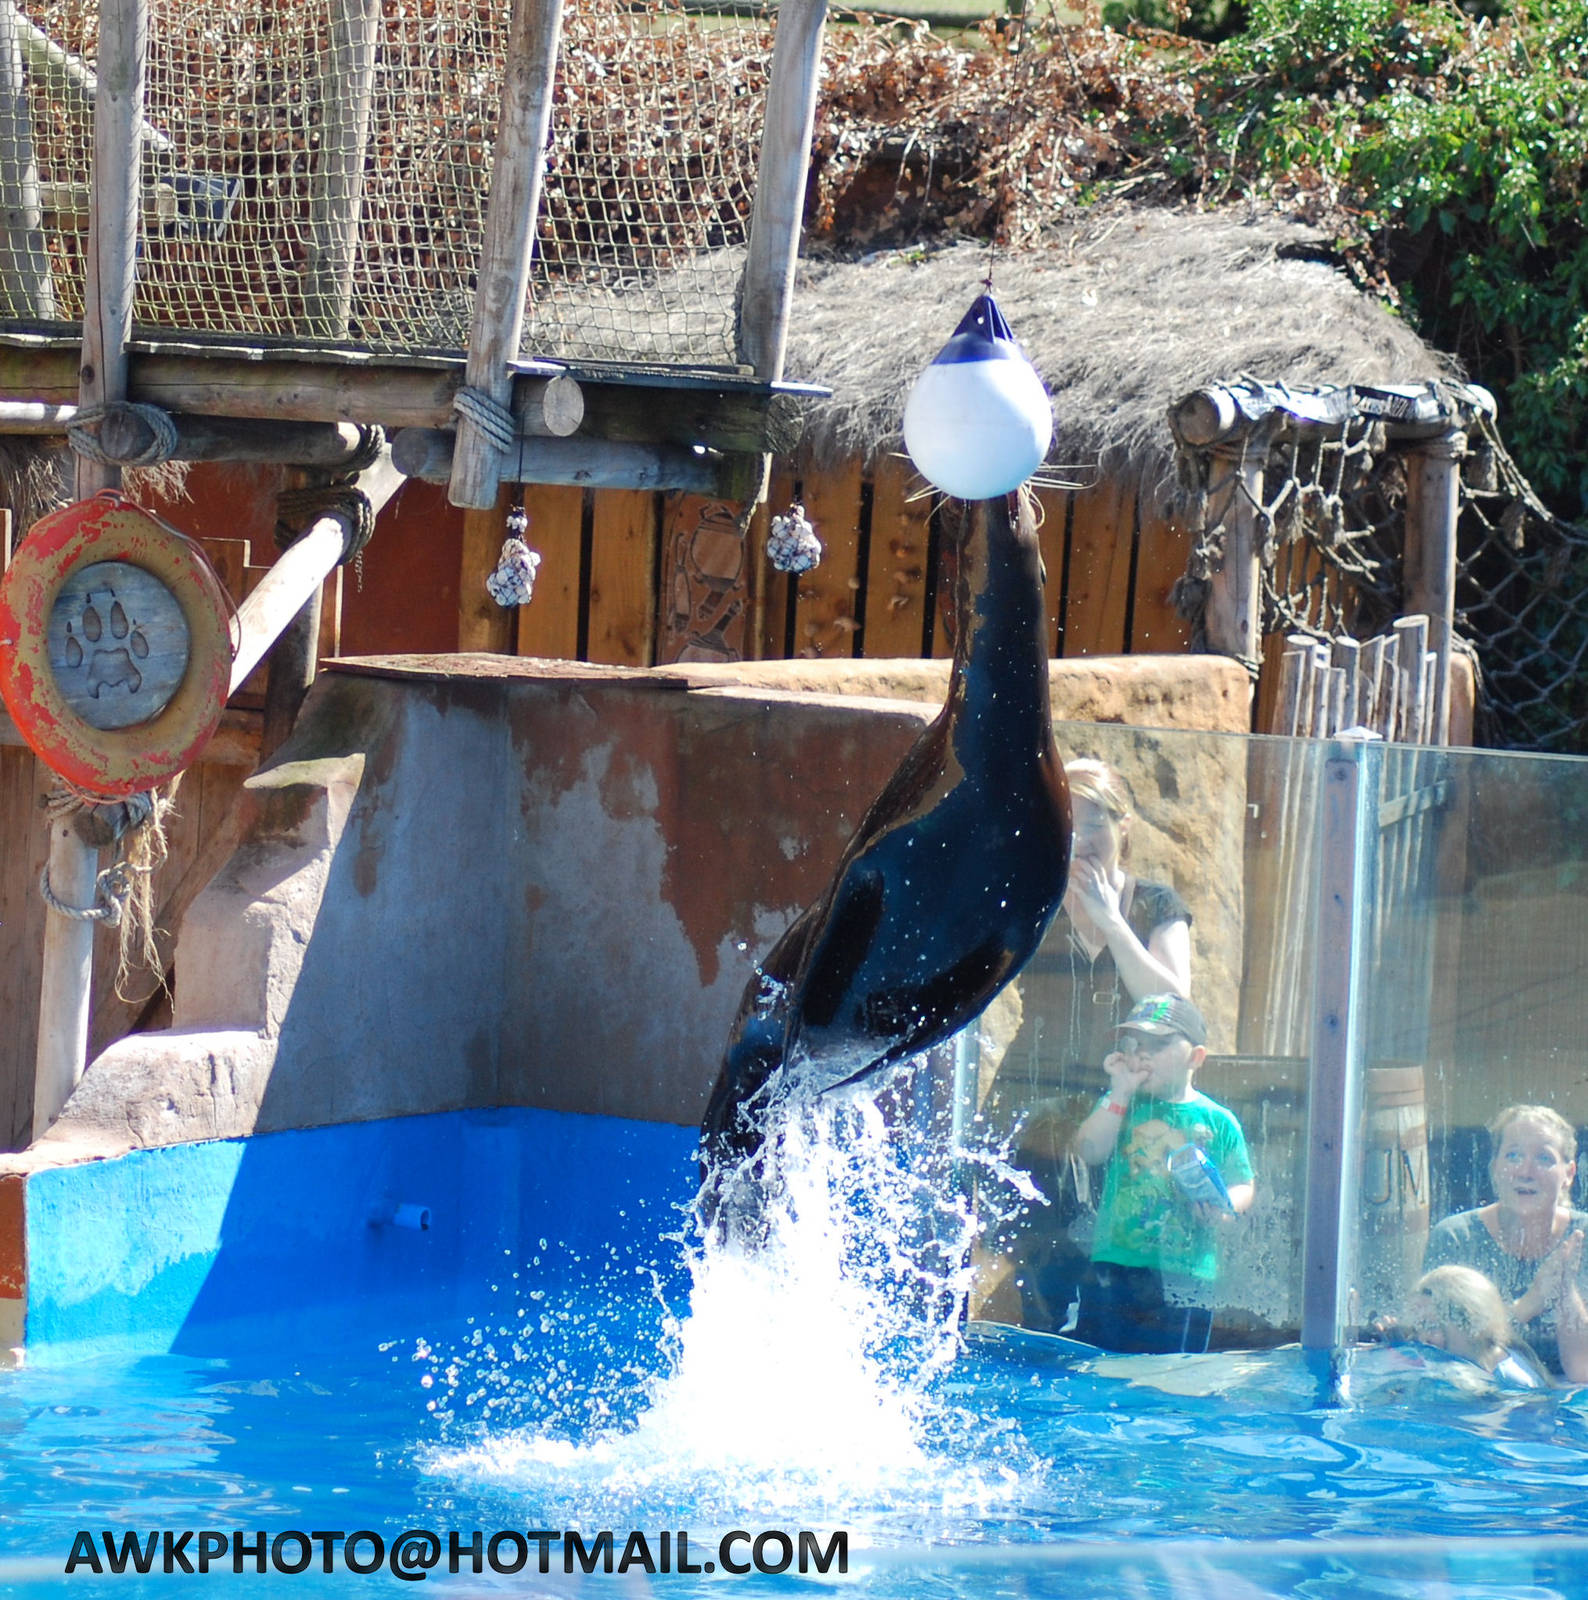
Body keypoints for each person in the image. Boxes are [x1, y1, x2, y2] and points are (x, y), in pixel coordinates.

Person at [984, 759, 1195, 1331]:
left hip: (1129, 1091)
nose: (1082, 838)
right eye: (1068, 822)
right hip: (1036, 1091)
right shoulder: (1033, 899)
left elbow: (1174, 1003)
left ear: (1124, 827)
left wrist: (1110, 921)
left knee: (1126, 1253)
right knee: (1027, 1242)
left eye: (1096, 822)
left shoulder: (1155, 905)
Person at [1070, 993, 1254, 1354]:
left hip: (1186, 1274)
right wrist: (1119, 1091)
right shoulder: (1121, 1103)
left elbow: (1244, 1183)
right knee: (1101, 1369)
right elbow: (1089, 1150)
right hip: (1116, 1265)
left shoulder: (1218, 1120)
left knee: (1175, 1377)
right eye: (1135, 1045)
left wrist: (1224, 1206)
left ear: (1196, 1057)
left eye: (1157, 1045)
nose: (1142, 1054)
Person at [1422, 1103, 1588, 1383]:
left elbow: (1583, 1372)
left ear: (1569, 1174)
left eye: (1544, 1159)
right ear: (1495, 1167)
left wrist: (1564, 1292)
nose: (1525, 1171)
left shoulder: (1582, 1237)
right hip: (1479, 1395)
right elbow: (1445, 1353)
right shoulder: (1457, 1240)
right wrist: (1531, 1302)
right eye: (1513, 1155)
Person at [1402, 1265, 1549, 1389]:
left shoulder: (1512, 1382)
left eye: (1431, 1327)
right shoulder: (1452, 1364)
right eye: (1417, 1328)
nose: (1422, 1339)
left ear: (1471, 1325)